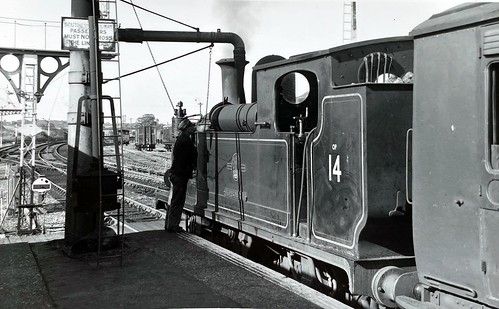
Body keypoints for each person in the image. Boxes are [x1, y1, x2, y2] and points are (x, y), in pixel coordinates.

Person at [165, 117, 197, 232]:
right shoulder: (185, 141)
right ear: (187, 128)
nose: (194, 128)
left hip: (176, 174)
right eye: (191, 126)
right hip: (180, 175)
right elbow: (193, 155)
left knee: (174, 200)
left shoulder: (181, 139)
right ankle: (172, 226)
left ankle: (169, 224)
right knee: (178, 201)